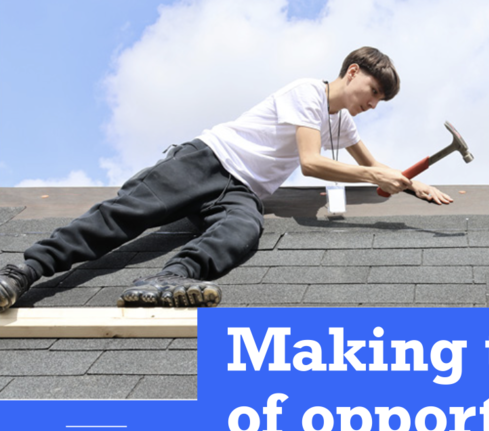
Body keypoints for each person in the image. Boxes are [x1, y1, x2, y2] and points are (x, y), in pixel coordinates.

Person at [0, 47, 451, 311]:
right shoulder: (307, 93)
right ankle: (23, 272)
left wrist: (413, 184)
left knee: (244, 229)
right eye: (373, 92)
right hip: (209, 160)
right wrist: (373, 173)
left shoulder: (343, 123)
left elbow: (376, 168)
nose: (373, 104)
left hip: (240, 193)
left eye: (380, 101)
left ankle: (166, 280)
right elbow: (312, 163)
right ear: (352, 72)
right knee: (124, 215)